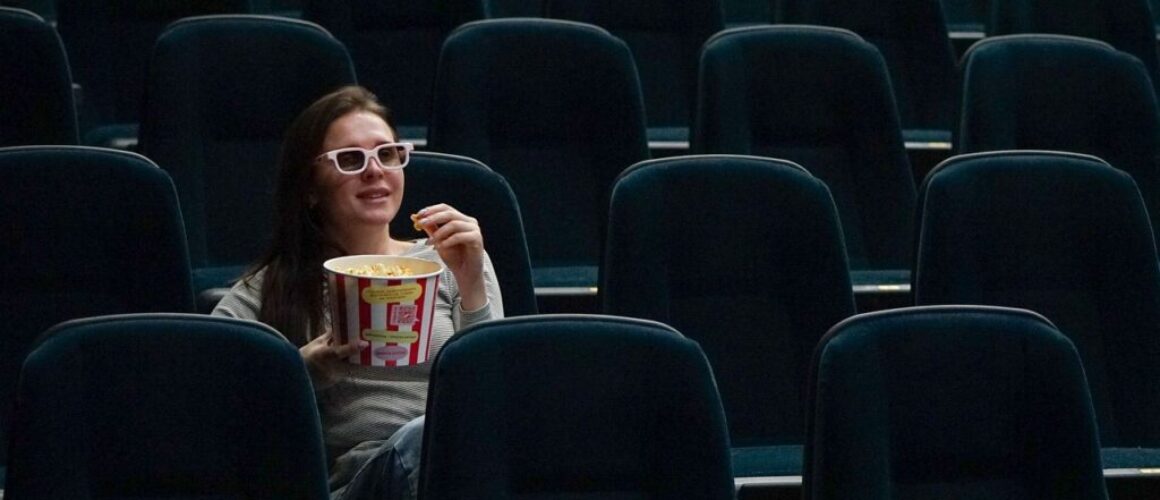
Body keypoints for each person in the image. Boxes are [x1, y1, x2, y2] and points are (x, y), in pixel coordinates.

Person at [212, 85, 504, 499]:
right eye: (350, 159)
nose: (374, 170)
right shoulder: (272, 286)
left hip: (457, 467)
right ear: (310, 188)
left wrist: (472, 281)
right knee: (423, 440)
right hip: (358, 483)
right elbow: (213, 402)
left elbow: (492, 396)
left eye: (387, 154)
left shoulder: (452, 260)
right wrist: (300, 374)